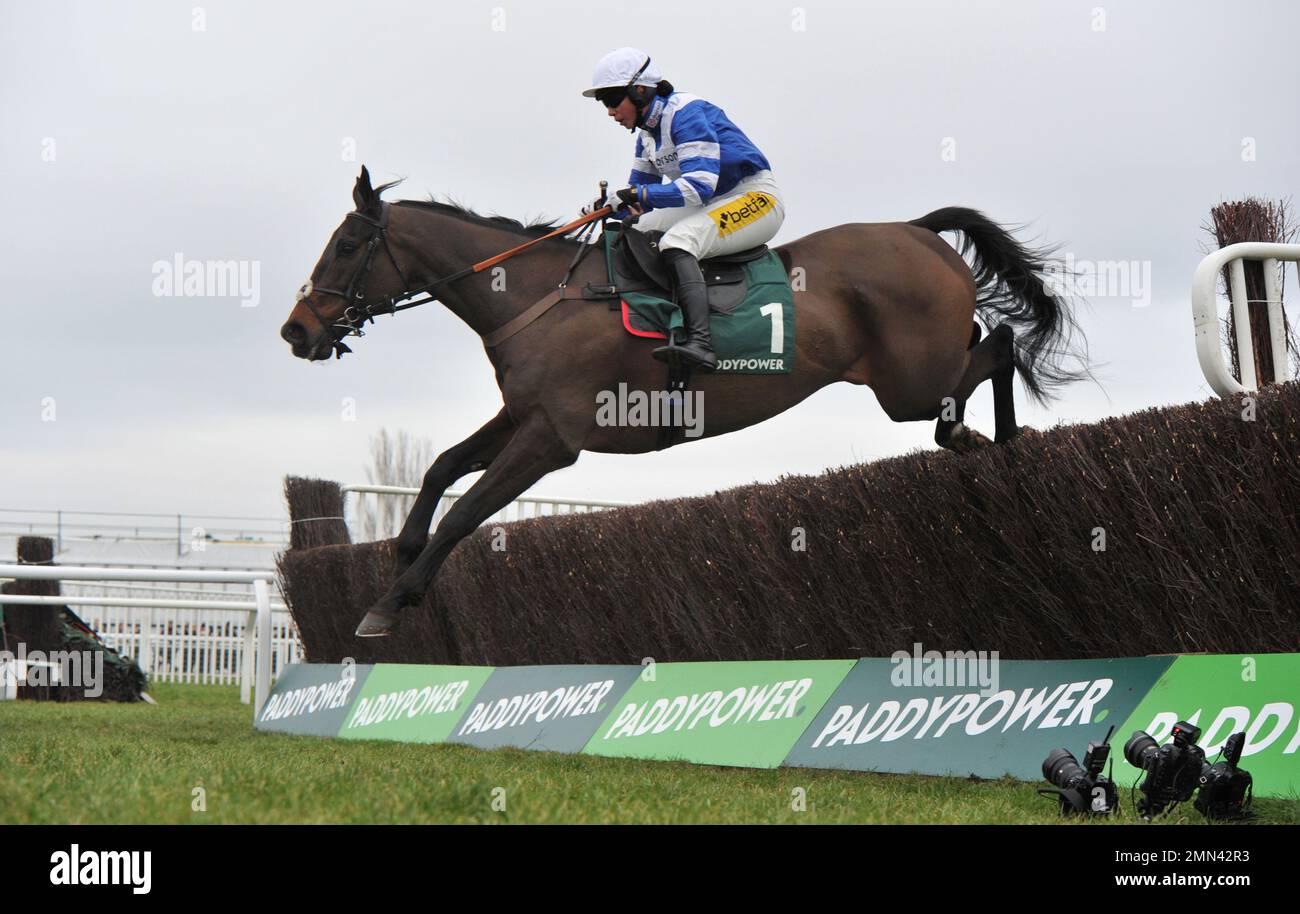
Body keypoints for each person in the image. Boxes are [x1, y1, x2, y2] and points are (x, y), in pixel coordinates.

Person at [582, 48, 785, 371]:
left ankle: (700, 343)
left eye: (611, 100)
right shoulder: (647, 136)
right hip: (708, 203)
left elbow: (697, 186)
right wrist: (611, 208)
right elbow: (639, 202)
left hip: (755, 198)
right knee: (633, 230)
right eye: (604, 103)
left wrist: (635, 194)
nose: (609, 112)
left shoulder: (686, 113)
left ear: (639, 91)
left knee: (678, 242)